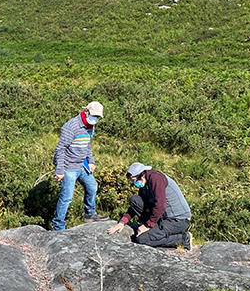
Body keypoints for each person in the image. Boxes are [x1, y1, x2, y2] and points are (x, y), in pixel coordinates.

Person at [52, 101, 110, 230]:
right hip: (68, 167)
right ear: (86, 112)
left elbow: (87, 144)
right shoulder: (70, 127)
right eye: (94, 115)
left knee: (92, 186)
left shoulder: (90, 125)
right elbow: (60, 149)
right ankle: (58, 226)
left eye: (98, 117)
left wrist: (91, 161)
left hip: (82, 165)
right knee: (66, 198)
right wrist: (60, 170)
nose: (95, 119)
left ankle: (90, 214)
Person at [107, 163, 192, 248]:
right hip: (163, 216)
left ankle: (183, 238)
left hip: (178, 220)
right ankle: (155, 229)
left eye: (134, 180)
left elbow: (161, 205)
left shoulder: (156, 179)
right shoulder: (144, 184)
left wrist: (148, 226)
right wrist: (122, 222)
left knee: (142, 240)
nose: (134, 183)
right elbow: (135, 207)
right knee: (134, 200)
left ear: (142, 175)